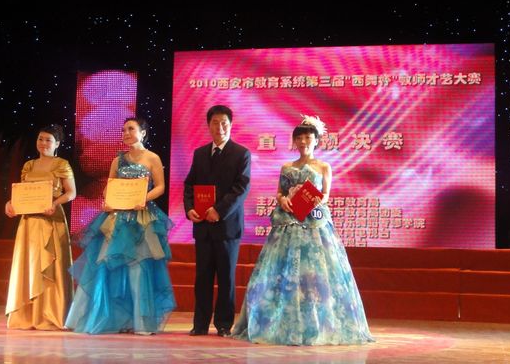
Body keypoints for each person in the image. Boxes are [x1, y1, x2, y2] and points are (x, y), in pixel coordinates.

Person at [232, 115, 374, 345]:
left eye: (307, 137)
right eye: (299, 138)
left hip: (314, 222)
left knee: (316, 273)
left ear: (316, 140)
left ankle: (317, 325)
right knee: (281, 271)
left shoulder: (324, 167)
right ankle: (277, 323)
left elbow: (326, 194)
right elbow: (280, 192)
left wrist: (314, 200)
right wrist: (283, 200)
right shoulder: (287, 167)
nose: (303, 141)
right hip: (288, 220)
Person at [65, 117, 176, 335]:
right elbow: (110, 187)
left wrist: (143, 198)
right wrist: (107, 200)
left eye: (131, 129)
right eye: (123, 130)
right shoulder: (118, 160)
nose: (126, 133)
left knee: (138, 267)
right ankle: (103, 317)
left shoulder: (152, 158)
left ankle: (140, 322)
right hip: (117, 218)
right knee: (105, 265)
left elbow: (160, 187)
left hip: (141, 218)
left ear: (143, 133)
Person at [183, 105, 251, 336]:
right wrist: (190, 209)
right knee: (202, 277)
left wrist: (219, 211)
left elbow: (241, 188)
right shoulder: (200, 153)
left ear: (230, 125)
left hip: (227, 227)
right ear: (208, 125)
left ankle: (223, 324)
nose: (219, 127)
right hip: (202, 226)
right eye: (215, 123)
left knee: (226, 278)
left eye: (224, 123)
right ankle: (200, 324)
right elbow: (189, 185)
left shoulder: (241, 153)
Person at [4, 124, 76, 330]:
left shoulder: (62, 164)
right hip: (29, 222)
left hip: (51, 219)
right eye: (40, 139)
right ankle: (28, 315)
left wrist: (54, 203)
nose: (43, 143)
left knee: (51, 265)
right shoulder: (29, 165)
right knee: (30, 264)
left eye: (48, 140)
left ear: (57, 144)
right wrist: (10, 204)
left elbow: (71, 192)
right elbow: (23, 192)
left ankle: (52, 314)